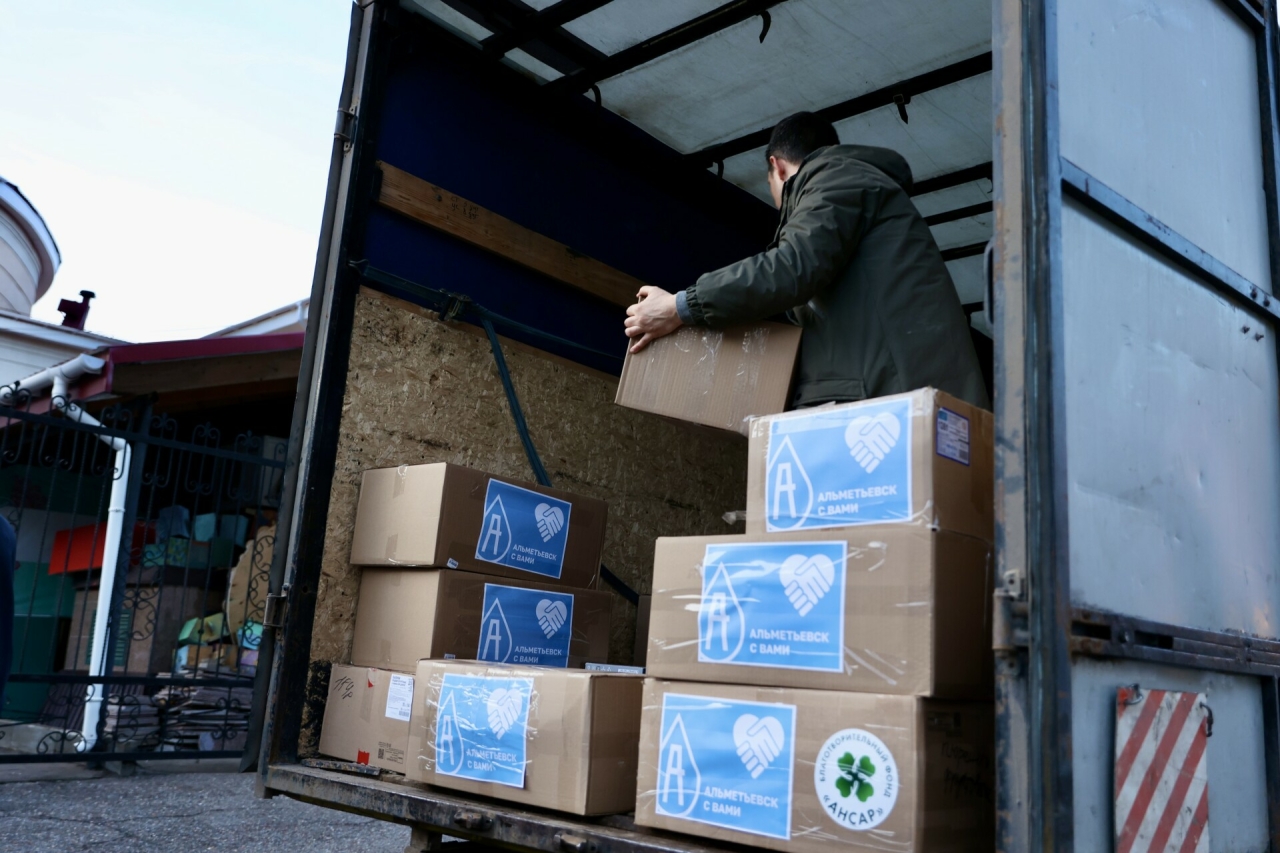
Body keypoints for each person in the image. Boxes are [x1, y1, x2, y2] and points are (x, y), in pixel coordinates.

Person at [624, 111, 989, 409]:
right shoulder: (858, 189)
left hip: (901, 401)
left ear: (777, 167)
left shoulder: (835, 178)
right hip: (904, 397)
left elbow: (791, 267)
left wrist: (678, 306)